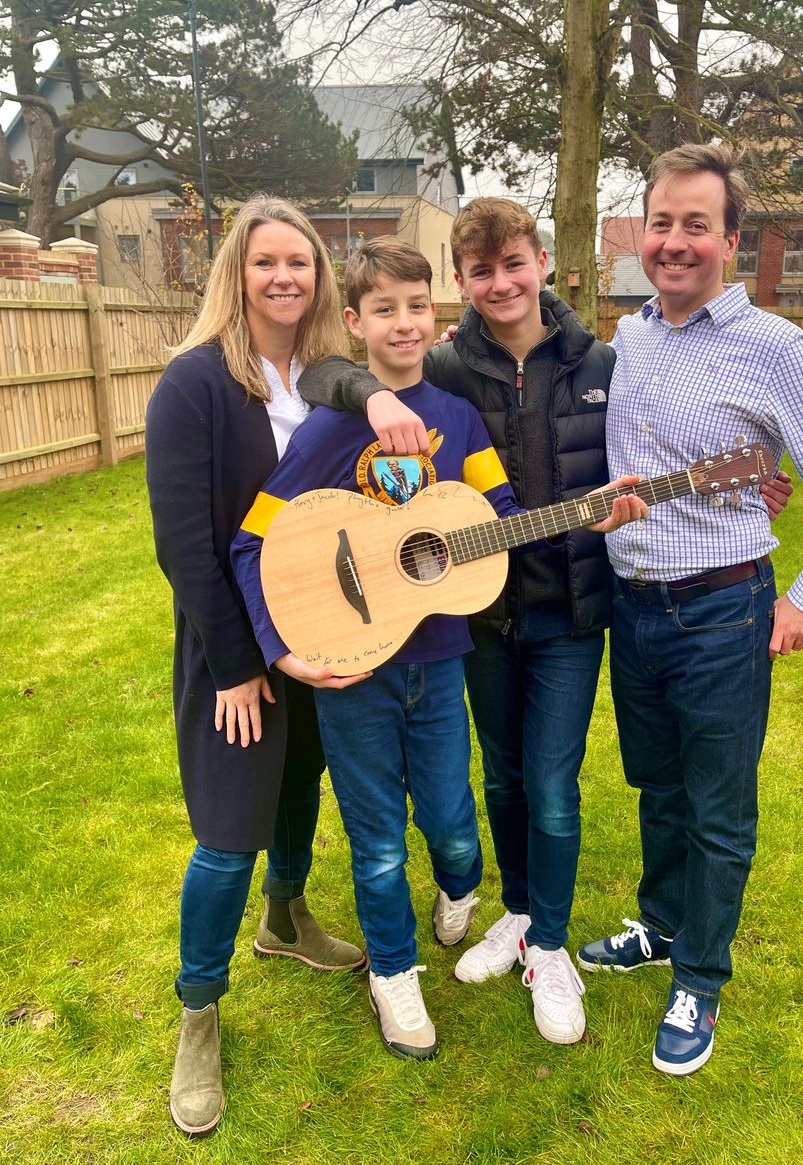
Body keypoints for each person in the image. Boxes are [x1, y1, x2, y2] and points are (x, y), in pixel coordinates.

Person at [297, 200, 793, 1047]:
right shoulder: (445, 367)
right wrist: (371, 402)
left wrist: (737, 479)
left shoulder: (610, 359)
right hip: (474, 615)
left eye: (515, 264)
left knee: (555, 789)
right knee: (503, 779)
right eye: (482, 271)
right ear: (463, 281)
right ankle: (518, 914)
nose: (501, 283)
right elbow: (325, 379)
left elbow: (667, 438)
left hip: (570, 610)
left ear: (545, 264)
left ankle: (553, 947)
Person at [231, 237, 643, 1059]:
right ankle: (393, 972)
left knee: (457, 828)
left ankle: (462, 888)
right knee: (378, 839)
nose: (404, 322)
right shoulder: (331, 425)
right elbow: (254, 540)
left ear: (438, 314)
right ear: (353, 322)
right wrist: (279, 647)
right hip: (354, 673)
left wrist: (579, 513)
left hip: (440, 662)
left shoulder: (455, 417)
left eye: (417, 306)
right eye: (383, 309)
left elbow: (498, 512)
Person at [575, 142, 803, 1076]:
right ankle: (663, 926)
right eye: (661, 223)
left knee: (717, 808)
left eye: (695, 226)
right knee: (658, 787)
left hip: (724, 613)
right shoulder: (628, 339)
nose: (674, 243)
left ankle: (699, 981)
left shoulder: (774, 348)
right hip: (635, 609)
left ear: (730, 239)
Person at [145, 197, 366, 1136]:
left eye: (302, 263)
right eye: (266, 261)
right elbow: (184, 544)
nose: (285, 277)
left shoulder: (322, 380)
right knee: (228, 832)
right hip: (233, 650)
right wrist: (241, 665)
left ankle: (286, 919)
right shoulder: (194, 383)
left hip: (319, 637)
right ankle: (199, 1012)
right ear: (236, 272)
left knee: (295, 792)